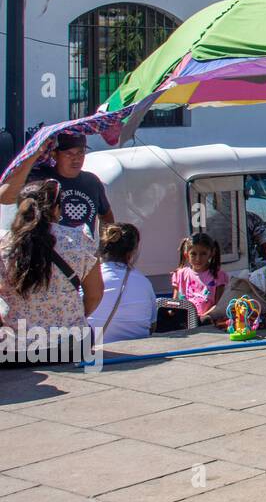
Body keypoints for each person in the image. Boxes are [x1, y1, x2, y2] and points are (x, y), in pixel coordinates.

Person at [0, 180, 104, 361]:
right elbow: (95, 294)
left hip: (14, 351)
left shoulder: (4, 245)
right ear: (57, 209)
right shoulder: (79, 240)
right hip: (70, 346)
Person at [0, 132, 114, 235]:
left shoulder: (92, 181)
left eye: (80, 152)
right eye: (69, 153)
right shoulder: (40, 179)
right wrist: (34, 155)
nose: (76, 159)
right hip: (46, 253)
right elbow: (4, 197)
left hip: (82, 255)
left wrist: (106, 247)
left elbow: (106, 214)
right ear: (54, 155)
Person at [88, 223, 156, 343]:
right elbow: (152, 326)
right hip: (138, 354)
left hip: (95, 352)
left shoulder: (88, 279)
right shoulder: (145, 283)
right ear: (133, 251)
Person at [171, 232, 228, 323]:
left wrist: (201, 318)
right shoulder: (179, 275)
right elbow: (174, 303)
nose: (198, 259)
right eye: (193, 254)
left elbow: (218, 306)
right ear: (186, 255)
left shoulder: (218, 276)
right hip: (183, 323)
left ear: (211, 253)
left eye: (203, 254)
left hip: (206, 323)